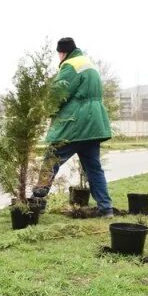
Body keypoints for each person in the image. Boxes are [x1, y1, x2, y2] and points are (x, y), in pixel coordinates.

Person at [33, 37, 114, 217]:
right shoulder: (89, 64)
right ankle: (106, 208)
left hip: (74, 125)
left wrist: (44, 110)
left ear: (62, 53)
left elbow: (57, 94)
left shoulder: (70, 66)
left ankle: (37, 201)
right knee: (93, 168)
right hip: (93, 126)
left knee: (51, 160)